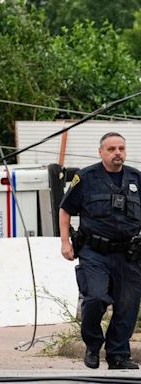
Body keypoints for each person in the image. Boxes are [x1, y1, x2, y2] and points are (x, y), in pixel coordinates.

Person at [60, 132, 141, 370]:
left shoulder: (136, 178)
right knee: (95, 297)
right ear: (101, 152)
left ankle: (118, 355)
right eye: (112, 149)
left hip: (129, 253)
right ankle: (93, 345)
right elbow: (65, 210)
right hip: (95, 251)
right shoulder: (85, 177)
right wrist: (65, 242)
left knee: (127, 306)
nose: (118, 153)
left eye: (121, 148)